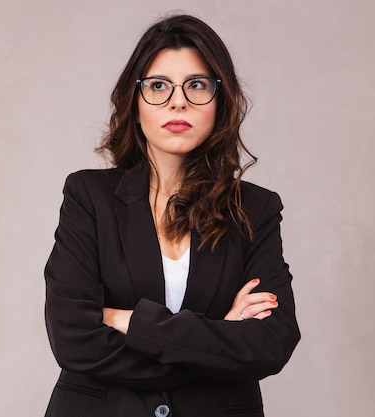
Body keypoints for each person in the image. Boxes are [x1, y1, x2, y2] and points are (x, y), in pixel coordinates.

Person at [43, 13, 300, 417]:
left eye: (196, 85)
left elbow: (271, 343)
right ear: (135, 99)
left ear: (221, 100)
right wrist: (219, 340)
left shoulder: (255, 209)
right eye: (158, 86)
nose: (177, 101)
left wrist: (128, 321)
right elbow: (74, 337)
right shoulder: (88, 195)